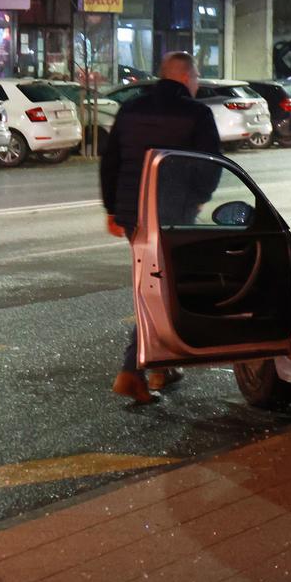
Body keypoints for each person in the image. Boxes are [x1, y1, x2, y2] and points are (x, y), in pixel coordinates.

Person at [99, 52, 221, 404]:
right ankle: (131, 370)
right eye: (196, 80)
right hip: (172, 214)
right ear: (187, 78)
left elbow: (111, 162)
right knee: (164, 288)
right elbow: (209, 165)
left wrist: (112, 209)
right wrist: (199, 198)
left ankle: (160, 366)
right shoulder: (196, 113)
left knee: (150, 284)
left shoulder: (132, 108)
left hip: (132, 215)